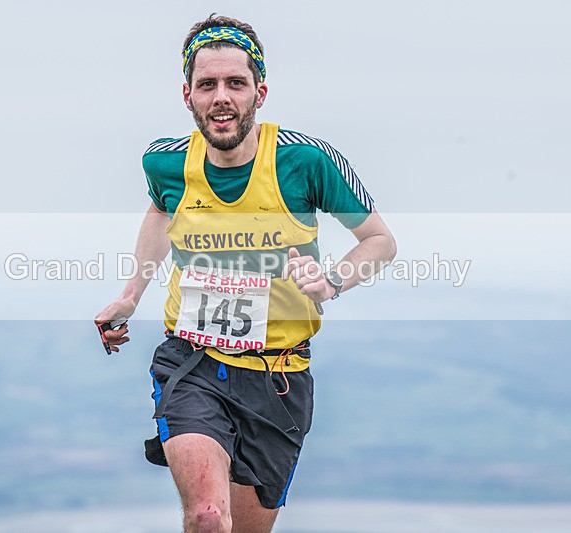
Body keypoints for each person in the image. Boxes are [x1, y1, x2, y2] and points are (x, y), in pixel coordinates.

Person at [95, 14, 397, 533]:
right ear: (186, 94)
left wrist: (331, 282)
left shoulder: (304, 160)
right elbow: (160, 211)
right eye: (207, 84)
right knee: (209, 517)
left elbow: (380, 242)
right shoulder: (164, 163)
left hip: (278, 380)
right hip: (192, 364)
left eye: (235, 83)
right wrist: (130, 296)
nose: (221, 97)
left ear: (260, 90)